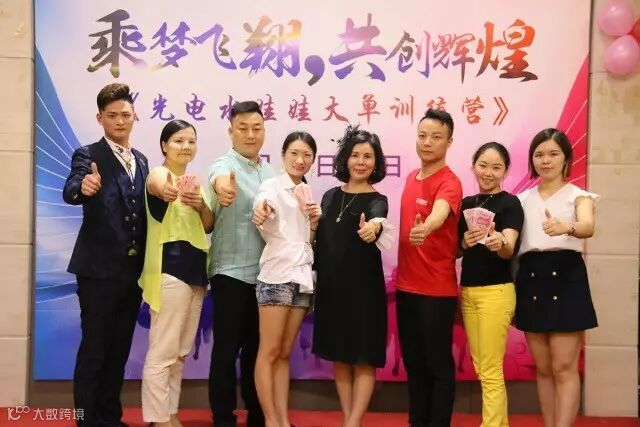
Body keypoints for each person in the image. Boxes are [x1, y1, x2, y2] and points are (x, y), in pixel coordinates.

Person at [63, 83, 148, 426]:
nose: (119, 121)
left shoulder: (141, 160)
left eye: (125, 115)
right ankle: (86, 420)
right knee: (94, 349)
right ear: (100, 118)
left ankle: (110, 417)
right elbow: (71, 188)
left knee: (119, 350)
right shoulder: (87, 154)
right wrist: (83, 187)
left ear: (134, 116)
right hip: (97, 272)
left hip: (132, 274)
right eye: (111, 115)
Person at [515, 128, 598, 427]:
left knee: (564, 366)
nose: (545, 160)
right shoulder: (521, 199)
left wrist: (567, 226)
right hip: (531, 277)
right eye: (539, 154)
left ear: (566, 159)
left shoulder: (579, 196)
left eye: (553, 154)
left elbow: (588, 226)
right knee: (544, 368)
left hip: (566, 277)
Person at [312, 126, 392, 427]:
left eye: (368, 156)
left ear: (376, 162)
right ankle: (350, 419)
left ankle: (353, 421)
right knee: (340, 357)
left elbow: (378, 220)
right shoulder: (329, 196)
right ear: (345, 159)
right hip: (332, 290)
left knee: (364, 358)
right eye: (355, 155)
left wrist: (374, 227)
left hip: (364, 293)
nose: (361, 162)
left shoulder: (378, 200)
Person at [139, 120, 215, 426]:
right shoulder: (160, 174)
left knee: (180, 352)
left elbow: (208, 225)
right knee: (163, 351)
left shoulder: (197, 184)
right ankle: (158, 420)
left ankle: (171, 415)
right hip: (170, 268)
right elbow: (156, 185)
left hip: (197, 271)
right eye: (178, 140)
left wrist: (200, 206)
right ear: (164, 145)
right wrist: (167, 191)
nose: (186, 146)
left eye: (191, 141)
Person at [207, 101, 275, 427]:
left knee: (256, 351)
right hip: (230, 272)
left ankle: (258, 415)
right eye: (243, 128)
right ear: (231, 131)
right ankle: (223, 417)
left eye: (256, 128)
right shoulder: (224, 164)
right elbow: (220, 180)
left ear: (264, 130)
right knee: (226, 350)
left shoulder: (271, 172)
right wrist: (224, 190)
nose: (250, 135)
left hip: (265, 276)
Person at [395, 108, 463, 427]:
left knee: (437, 365)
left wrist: (427, 227)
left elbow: (439, 211)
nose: (427, 142)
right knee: (414, 364)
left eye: (436, 137)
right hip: (406, 286)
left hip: (436, 291)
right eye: (422, 135)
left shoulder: (450, 182)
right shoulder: (411, 177)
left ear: (449, 141)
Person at [252, 132, 322, 427]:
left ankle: (282, 419)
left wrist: (314, 222)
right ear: (283, 154)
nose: (300, 160)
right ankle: (270, 420)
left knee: (283, 353)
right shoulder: (271, 186)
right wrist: (261, 212)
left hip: (302, 277)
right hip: (277, 275)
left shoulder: (307, 192)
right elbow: (262, 207)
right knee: (269, 352)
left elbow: (308, 241)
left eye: (307, 155)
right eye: (294, 153)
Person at [458, 142, 524, 427]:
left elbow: (509, 247)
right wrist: (464, 242)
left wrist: (500, 243)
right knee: (481, 366)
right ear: (473, 166)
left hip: (497, 292)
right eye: (483, 165)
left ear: (506, 171)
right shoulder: (466, 203)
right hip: (468, 291)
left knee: (490, 369)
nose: (488, 173)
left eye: (496, 167)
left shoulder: (510, 203)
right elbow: (456, 250)